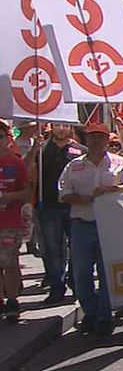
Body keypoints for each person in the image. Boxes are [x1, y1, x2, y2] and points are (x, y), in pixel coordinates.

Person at [58, 122, 123, 336]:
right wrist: (83, 199)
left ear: (107, 139)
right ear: (87, 139)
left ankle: (103, 316)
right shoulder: (74, 166)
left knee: (106, 272)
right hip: (82, 225)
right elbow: (63, 193)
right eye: (93, 136)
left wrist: (113, 189)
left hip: (109, 227)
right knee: (81, 273)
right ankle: (90, 313)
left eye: (101, 136)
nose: (96, 140)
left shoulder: (120, 163)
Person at [38, 123, 86, 304]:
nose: (61, 129)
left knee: (77, 249)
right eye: (57, 125)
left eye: (65, 125)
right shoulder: (41, 150)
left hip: (73, 206)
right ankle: (56, 288)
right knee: (53, 250)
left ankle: (76, 284)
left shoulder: (80, 151)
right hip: (49, 207)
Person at [0, 120, 31, 323]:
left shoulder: (15, 162)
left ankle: (12, 301)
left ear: (7, 138)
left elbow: (27, 192)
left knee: (9, 263)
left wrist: (8, 198)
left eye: (0, 136)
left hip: (9, 222)